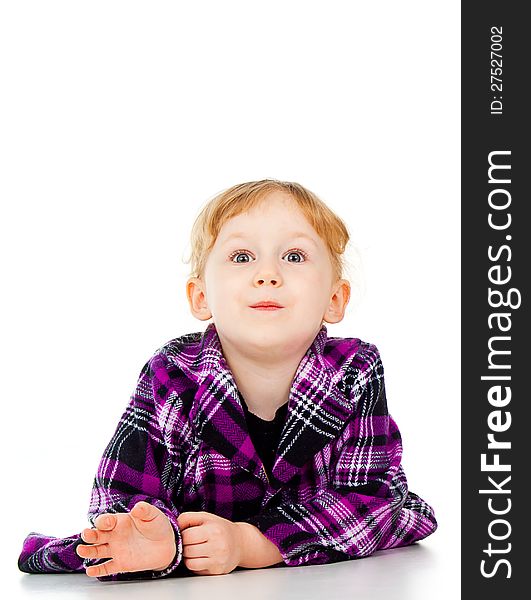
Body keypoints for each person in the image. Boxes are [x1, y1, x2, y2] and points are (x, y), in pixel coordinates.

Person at [18, 179, 437, 582]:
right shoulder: (173, 374)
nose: (267, 274)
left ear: (335, 299)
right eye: (241, 258)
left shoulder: (354, 371)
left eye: (294, 256)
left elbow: (374, 499)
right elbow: (119, 494)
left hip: (311, 541)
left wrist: (252, 543)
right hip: (193, 545)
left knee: (394, 511)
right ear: (201, 298)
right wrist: (164, 540)